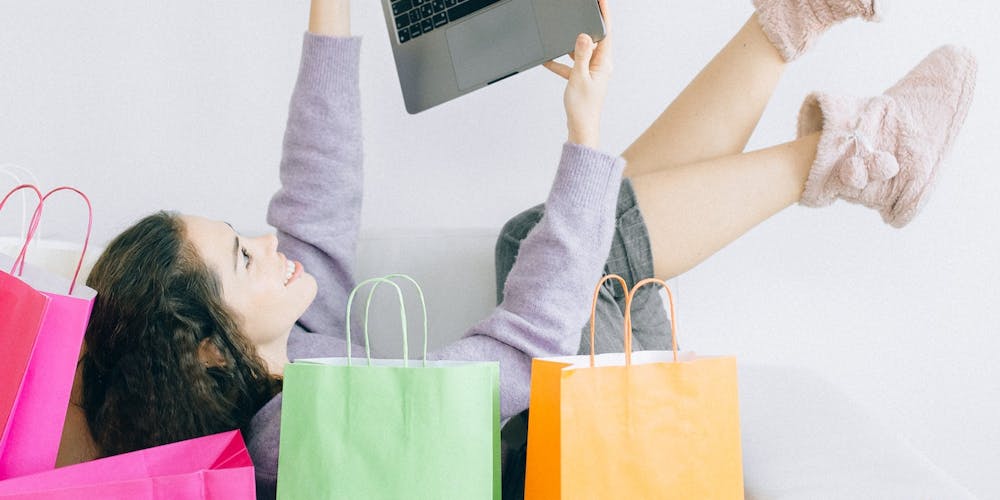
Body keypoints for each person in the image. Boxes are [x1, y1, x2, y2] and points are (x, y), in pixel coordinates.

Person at [56, 0, 976, 498]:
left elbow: (316, 200)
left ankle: (782, 28)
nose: (266, 244)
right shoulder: (297, 443)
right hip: (584, 477)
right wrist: (582, 138)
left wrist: (327, 10)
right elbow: (524, 348)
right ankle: (860, 154)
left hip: (548, 443)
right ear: (211, 345)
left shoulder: (284, 374)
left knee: (544, 238)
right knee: (579, 240)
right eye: (242, 260)